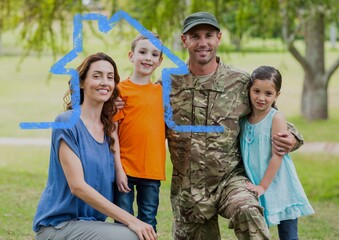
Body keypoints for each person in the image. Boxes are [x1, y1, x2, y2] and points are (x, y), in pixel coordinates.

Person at [165, 12, 304, 240]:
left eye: (208, 35)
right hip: (189, 191)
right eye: (195, 36)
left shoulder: (240, 82)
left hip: (231, 181)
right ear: (184, 40)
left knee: (248, 210)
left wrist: (293, 137)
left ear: (218, 38)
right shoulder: (168, 85)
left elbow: (270, 115)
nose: (203, 43)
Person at [32, 52, 157, 240]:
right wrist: (132, 220)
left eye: (110, 77)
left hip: (91, 224)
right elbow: (78, 187)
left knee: (141, 234)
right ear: (81, 82)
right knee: (132, 236)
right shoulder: (67, 123)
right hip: (58, 226)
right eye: (96, 76)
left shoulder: (109, 132)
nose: (104, 82)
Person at [239, 66, 314, 240]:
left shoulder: (276, 118)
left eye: (268, 93)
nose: (261, 98)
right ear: (249, 90)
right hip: (257, 181)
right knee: (259, 231)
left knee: (288, 234)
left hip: (279, 185)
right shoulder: (244, 118)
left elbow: (277, 155)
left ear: (276, 95)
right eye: (256, 91)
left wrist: (263, 186)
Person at [113, 34, 165, 232]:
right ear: (131, 56)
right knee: (123, 223)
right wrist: (118, 169)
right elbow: (113, 134)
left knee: (148, 222)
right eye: (142, 52)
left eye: (154, 54)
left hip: (152, 170)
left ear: (160, 61)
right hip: (125, 169)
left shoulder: (162, 93)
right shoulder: (119, 91)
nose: (148, 58)